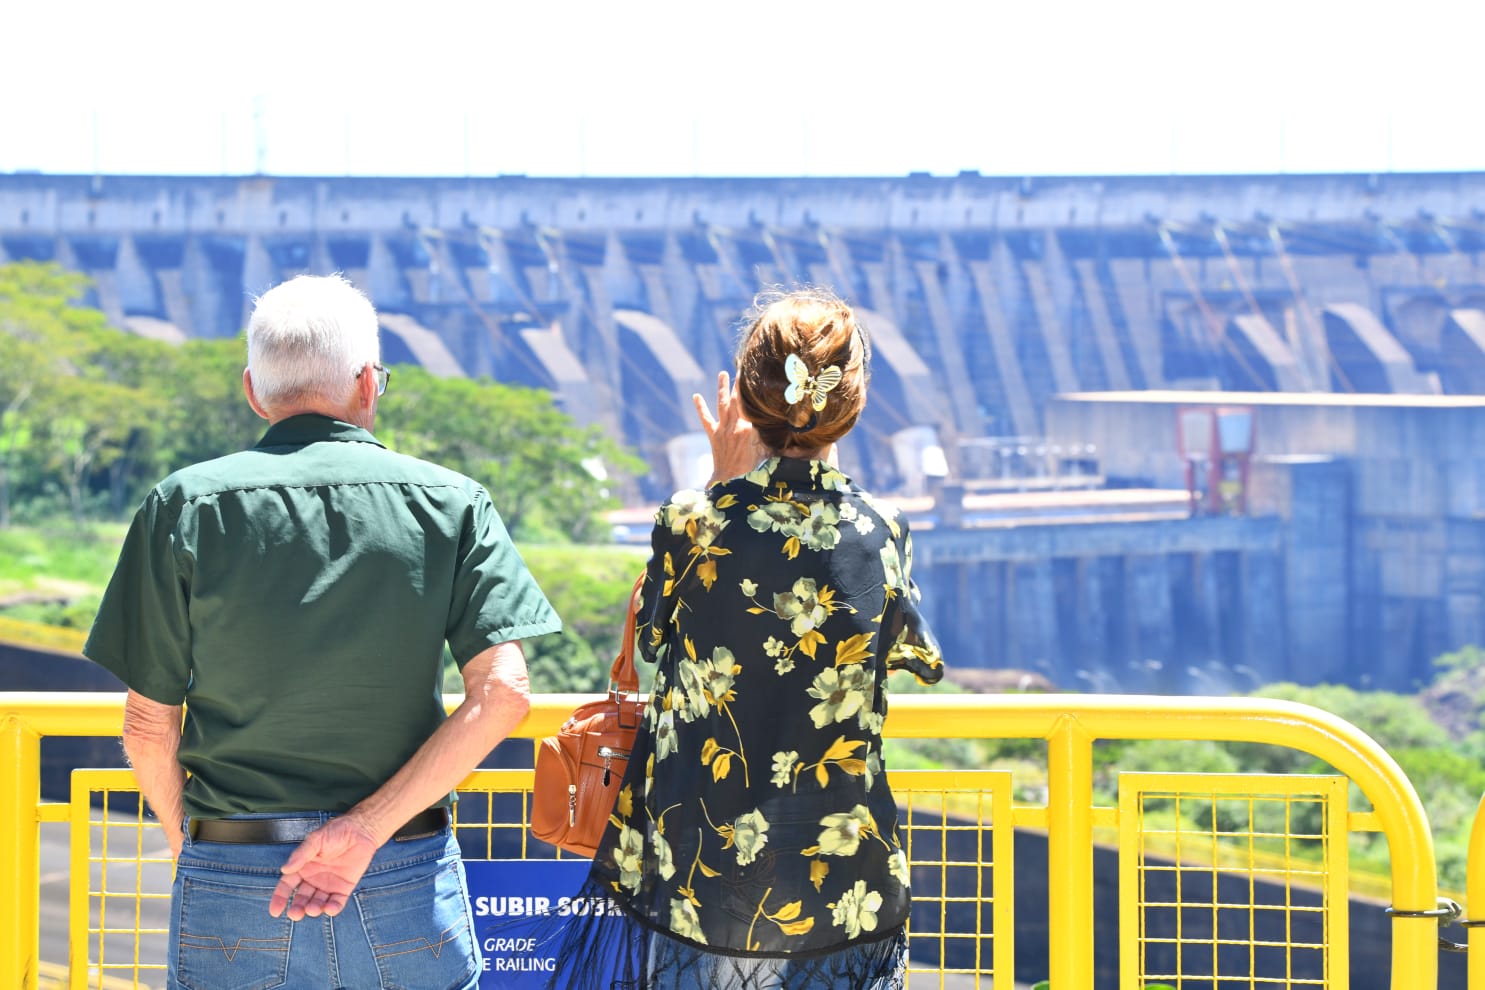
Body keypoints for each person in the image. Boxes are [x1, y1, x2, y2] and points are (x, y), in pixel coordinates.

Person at [83, 274, 562, 990]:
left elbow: (149, 727)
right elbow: (503, 694)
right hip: (401, 865)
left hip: (238, 867)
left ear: (253, 391)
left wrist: (199, 847)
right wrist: (363, 831)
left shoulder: (182, 504)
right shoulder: (452, 503)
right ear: (368, 384)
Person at [540, 287, 944, 989]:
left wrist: (723, 479)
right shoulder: (884, 528)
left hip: (702, 876)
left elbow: (655, 637)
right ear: (852, 398)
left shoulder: (690, 521)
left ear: (751, 401)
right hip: (840, 877)